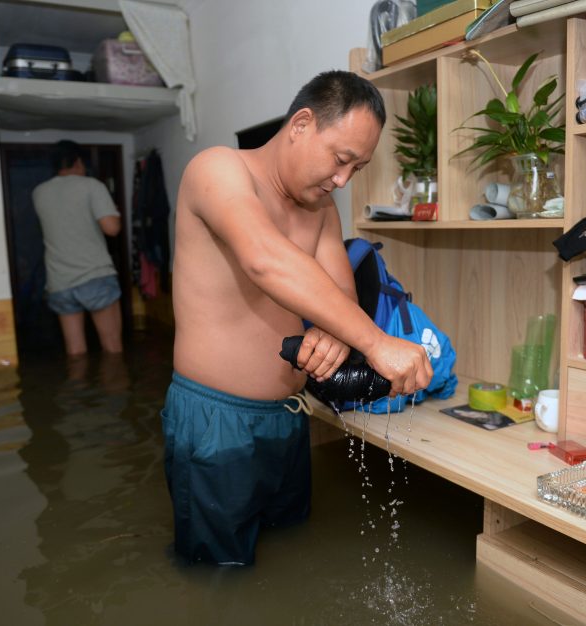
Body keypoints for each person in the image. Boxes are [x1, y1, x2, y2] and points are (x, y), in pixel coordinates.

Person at [162, 70, 434, 565]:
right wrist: (375, 342)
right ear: (302, 124)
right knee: (216, 577)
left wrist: (337, 329)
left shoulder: (322, 209)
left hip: (290, 417)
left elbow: (339, 295)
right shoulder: (217, 170)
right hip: (216, 421)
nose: (342, 179)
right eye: (340, 159)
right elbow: (265, 259)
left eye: (357, 168)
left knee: (289, 558)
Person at [33, 140, 123, 355]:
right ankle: (116, 388)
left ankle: (77, 387)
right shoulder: (91, 186)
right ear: (79, 161)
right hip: (94, 276)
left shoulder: (39, 192)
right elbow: (111, 228)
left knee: (75, 353)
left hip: (59, 282)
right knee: (112, 348)